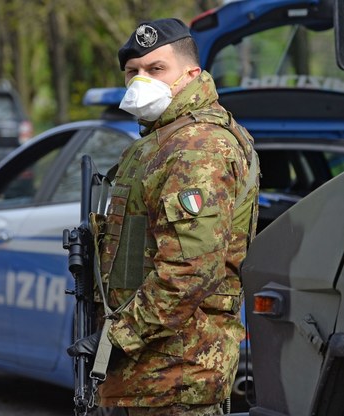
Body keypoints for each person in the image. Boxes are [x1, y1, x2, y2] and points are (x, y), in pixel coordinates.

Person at [67, 18, 260, 415]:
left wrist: (115, 337)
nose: (142, 80)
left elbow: (188, 273)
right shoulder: (162, 139)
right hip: (151, 371)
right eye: (133, 72)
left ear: (191, 73)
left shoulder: (198, 147)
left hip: (178, 372)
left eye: (156, 69)